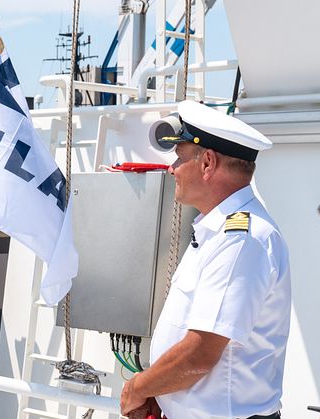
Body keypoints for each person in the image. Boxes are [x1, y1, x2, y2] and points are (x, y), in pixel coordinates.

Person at [120, 101, 291, 419]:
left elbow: (200, 354)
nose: (172, 169)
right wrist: (162, 393)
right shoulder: (218, 231)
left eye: (179, 158)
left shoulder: (240, 240)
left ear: (208, 163)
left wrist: (138, 388)